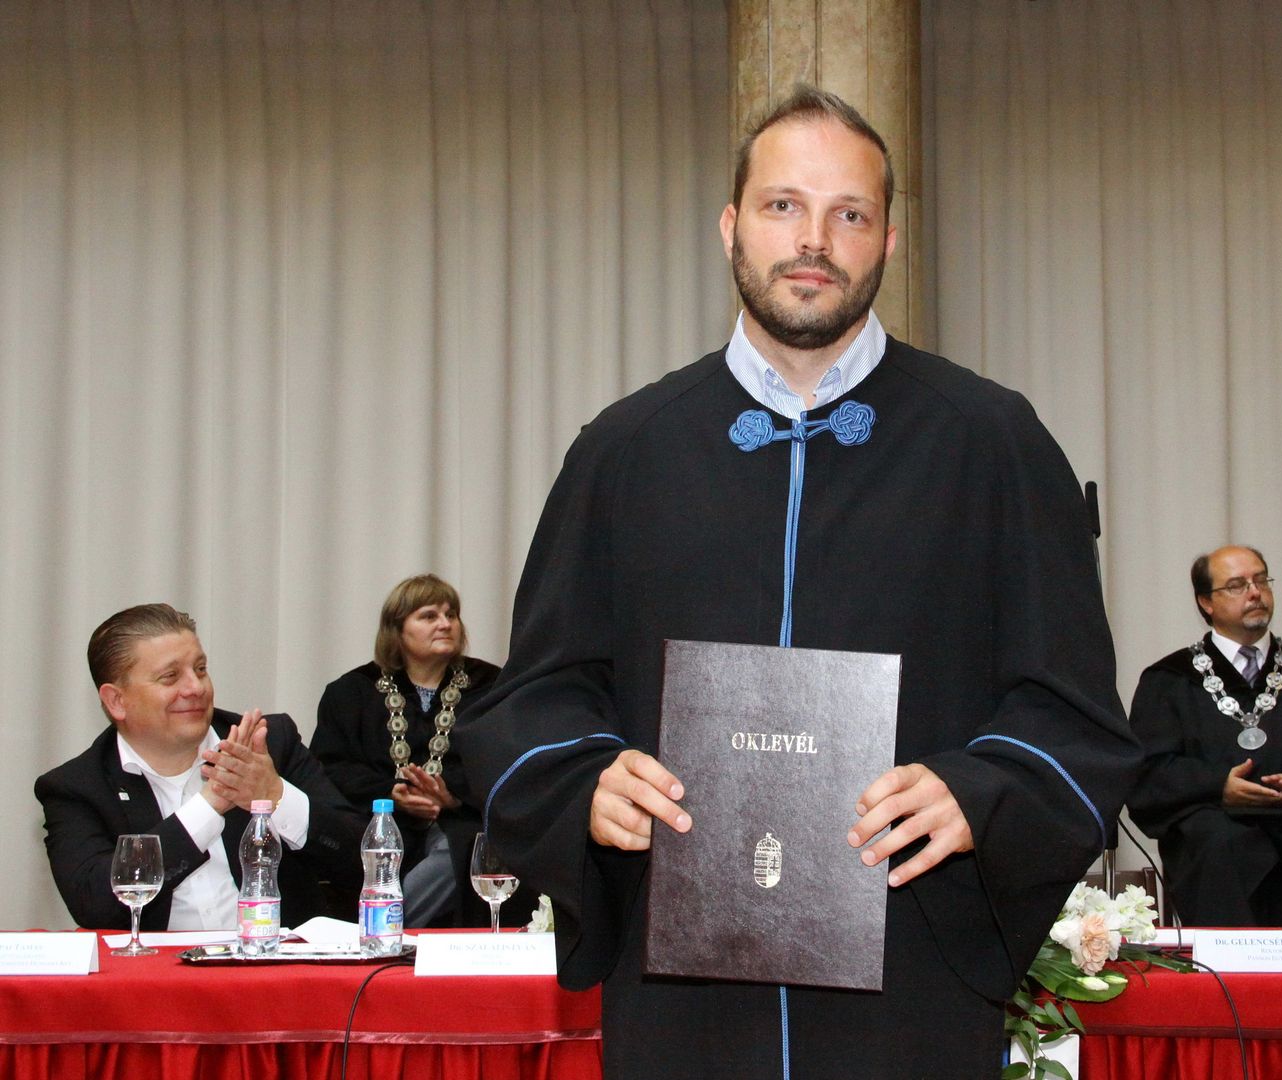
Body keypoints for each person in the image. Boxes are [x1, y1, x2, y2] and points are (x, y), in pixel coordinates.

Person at [458, 85, 1140, 1079]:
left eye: (848, 214)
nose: (814, 239)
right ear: (730, 226)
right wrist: (586, 779)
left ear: (888, 240)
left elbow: (1072, 709)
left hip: (913, 980)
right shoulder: (626, 450)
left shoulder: (992, 443)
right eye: (783, 205)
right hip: (680, 998)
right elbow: (536, 697)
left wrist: (980, 791)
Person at [35, 603, 362, 930]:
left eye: (201, 669)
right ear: (117, 701)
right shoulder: (78, 787)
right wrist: (208, 806)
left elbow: (365, 864)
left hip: (279, 958)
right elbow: (96, 906)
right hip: (159, 964)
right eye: (170, 676)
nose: (195, 688)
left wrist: (275, 795)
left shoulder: (268, 745)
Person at [1127, 545, 1282, 926]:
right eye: (1236, 585)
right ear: (1205, 602)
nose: (1254, 592)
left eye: (1261, 580)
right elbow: (1150, 770)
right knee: (1215, 840)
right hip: (1220, 826)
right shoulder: (1169, 681)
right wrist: (1219, 786)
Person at [311, 574, 503, 926]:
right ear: (397, 630)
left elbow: (504, 757)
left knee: (461, 846)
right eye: (429, 616)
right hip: (380, 819)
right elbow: (331, 768)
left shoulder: (492, 686)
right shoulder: (351, 692)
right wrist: (392, 794)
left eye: (451, 614)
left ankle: (382, 929)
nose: (445, 624)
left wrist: (453, 796)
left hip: (460, 820)